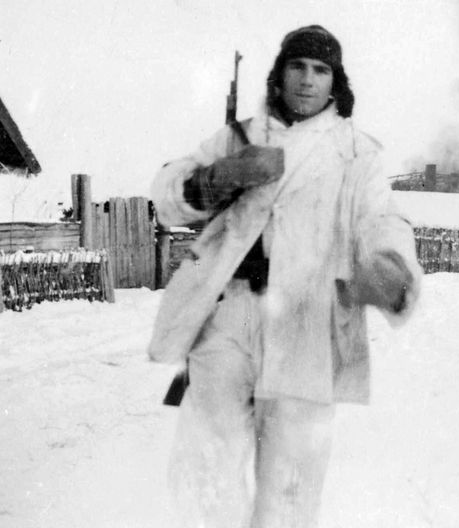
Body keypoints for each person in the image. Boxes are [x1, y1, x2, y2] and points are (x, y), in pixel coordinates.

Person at [147, 25, 422, 528]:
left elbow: (383, 219)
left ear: (336, 84)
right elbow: (166, 194)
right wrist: (218, 176)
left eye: (321, 70)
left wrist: (390, 265)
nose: (307, 80)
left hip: (307, 324)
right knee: (203, 469)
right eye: (297, 66)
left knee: (291, 489)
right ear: (279, 74)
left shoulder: (357, 154)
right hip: (227, 318)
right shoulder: (239, 137)